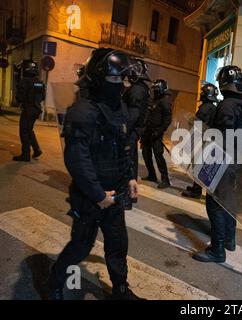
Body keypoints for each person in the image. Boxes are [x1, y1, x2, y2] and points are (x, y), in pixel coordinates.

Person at [48, 48, 142, 300]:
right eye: (114, 79)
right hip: (91, 196)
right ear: (98, 78)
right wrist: (98, 195)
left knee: (118, 245)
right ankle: (55, 281)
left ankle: (121, 291)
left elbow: (123, 147)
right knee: (80, 246)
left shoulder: (117, 106)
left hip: (115, 194)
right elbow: (78, 160)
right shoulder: (83, 112)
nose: (120, 85)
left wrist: (131, 177)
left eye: (122, 80)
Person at [192, 65, 242, 263]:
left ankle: (217, 250)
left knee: (215, 203)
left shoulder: (226, 105)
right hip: (237, 159)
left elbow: (221, 136)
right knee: (229, 200)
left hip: (222, 159)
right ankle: (229, 239)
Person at [182, 82, 219, 199]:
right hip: (209, 140)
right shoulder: (213, 108)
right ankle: (195, 187)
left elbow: (198, 124)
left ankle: (196, 191)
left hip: (202, 140)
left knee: (197, 165)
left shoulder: (204, 108)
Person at [123, 58, 150, 181]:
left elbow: (133, 114)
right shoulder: (140, 88)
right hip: (133, 131)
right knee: (130, 161)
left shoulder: (137, 90)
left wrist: (124, 131)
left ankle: (127, 191)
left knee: (128, 162)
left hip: (131, 132)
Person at [142, 79, 172, 189]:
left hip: (156, 133)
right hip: (148, 132)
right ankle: (152, 175)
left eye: (156, 89)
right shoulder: (153, 100)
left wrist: (159, 131)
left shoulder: (165, 101)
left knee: (158, 156)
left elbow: (167, 119)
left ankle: (165, 180)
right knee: (146, 154)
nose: (155, 91)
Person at [13, 60, 45, 162]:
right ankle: (37, 149)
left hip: (28, 110)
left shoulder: (24, 81)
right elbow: (43, 97)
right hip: (36, 109)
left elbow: (19, 98)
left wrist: (20, 100)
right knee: (29, 130)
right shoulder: (39, 82)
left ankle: (25, 155)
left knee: (24, 132)